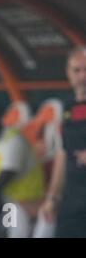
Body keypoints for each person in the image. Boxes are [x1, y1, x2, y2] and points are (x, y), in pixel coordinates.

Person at [39, 46, 86, 237]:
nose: (83, 76)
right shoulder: (66, 108)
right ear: (68, 72)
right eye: (77, 70)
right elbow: (62, 153)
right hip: (72, 197)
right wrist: (52, 197)